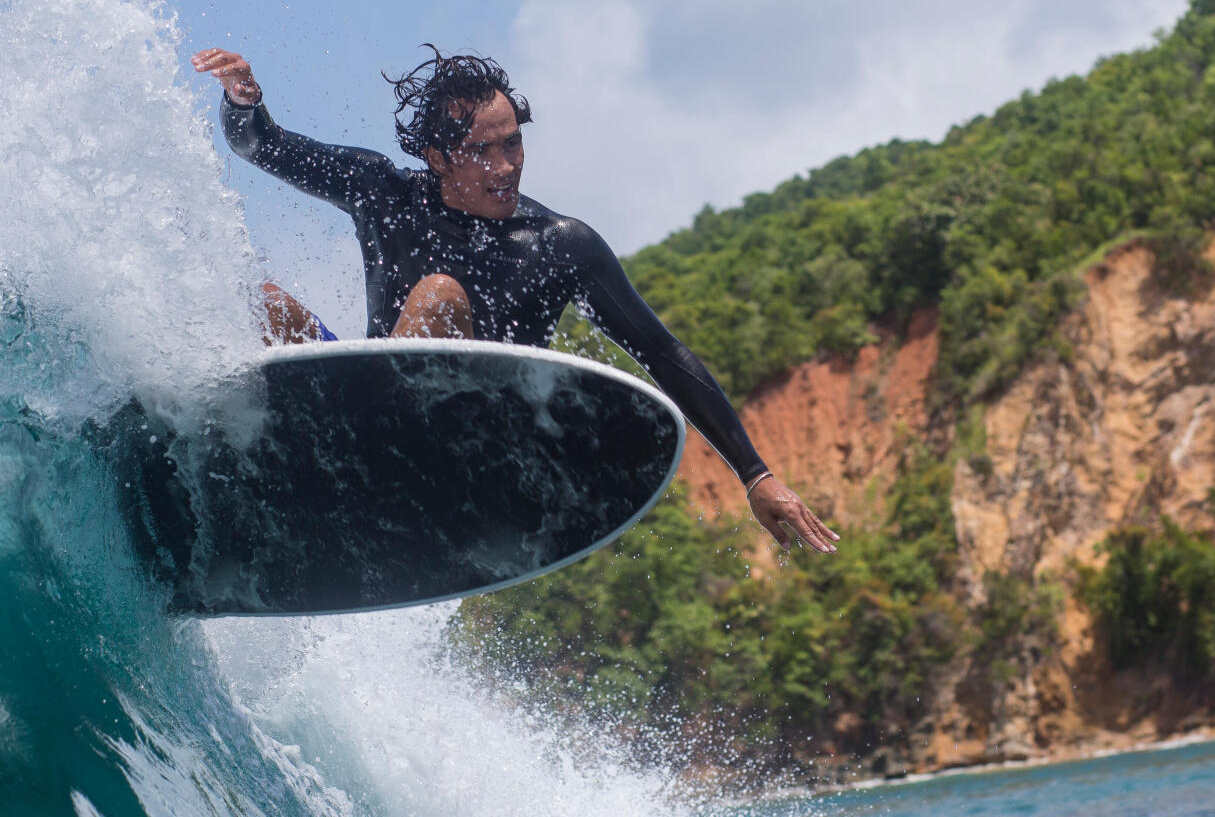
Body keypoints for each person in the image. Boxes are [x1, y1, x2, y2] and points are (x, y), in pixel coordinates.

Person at [191, 44, 839, 555]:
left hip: (476, 452)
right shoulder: (382, 190)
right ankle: (251, 463)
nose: (507, 167)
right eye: (483, 151)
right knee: (261, 299)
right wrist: (246, 102)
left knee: (438, 296)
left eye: (514, 143)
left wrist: (755, 474)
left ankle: (363, 468)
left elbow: (664, 356)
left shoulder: (561, 246)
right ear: (436, 157)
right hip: (369, 418)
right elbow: (262, 146)